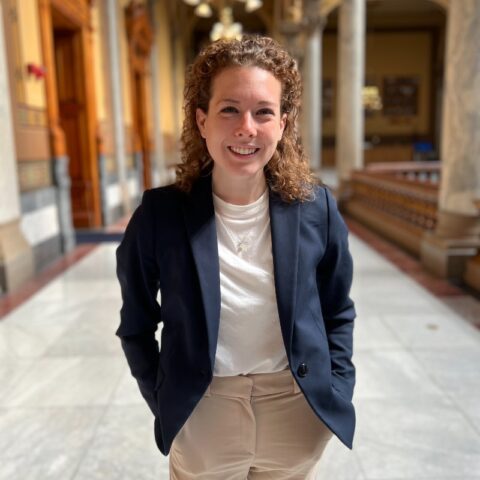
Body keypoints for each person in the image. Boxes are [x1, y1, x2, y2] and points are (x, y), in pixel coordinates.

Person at [116, 35, 356, 480]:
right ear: (202, 120)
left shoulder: (315, 209)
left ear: (282, 124)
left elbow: (337, 310)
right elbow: (136, 326)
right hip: (204, 411)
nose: (247, 127)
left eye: (263, 111)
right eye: (229, 109)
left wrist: (336, 389)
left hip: (294, 411)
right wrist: (169, 402)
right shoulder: (160, 216)